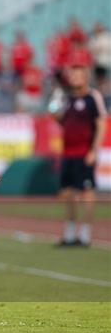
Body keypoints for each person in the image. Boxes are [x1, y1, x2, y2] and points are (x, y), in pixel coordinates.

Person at [51, 60, 107, 247]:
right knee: (67, 193)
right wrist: (55, 114)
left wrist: (94, 150)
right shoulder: (67, 99)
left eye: (78, 74)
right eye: (72, 75)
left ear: (86, 77)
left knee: (86, 192)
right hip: (68, 153)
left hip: (84, 153)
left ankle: (85, 234)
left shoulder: (93, 97)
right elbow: (64, 123)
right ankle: (69, 233)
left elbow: (101, 124)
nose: (74, 78)